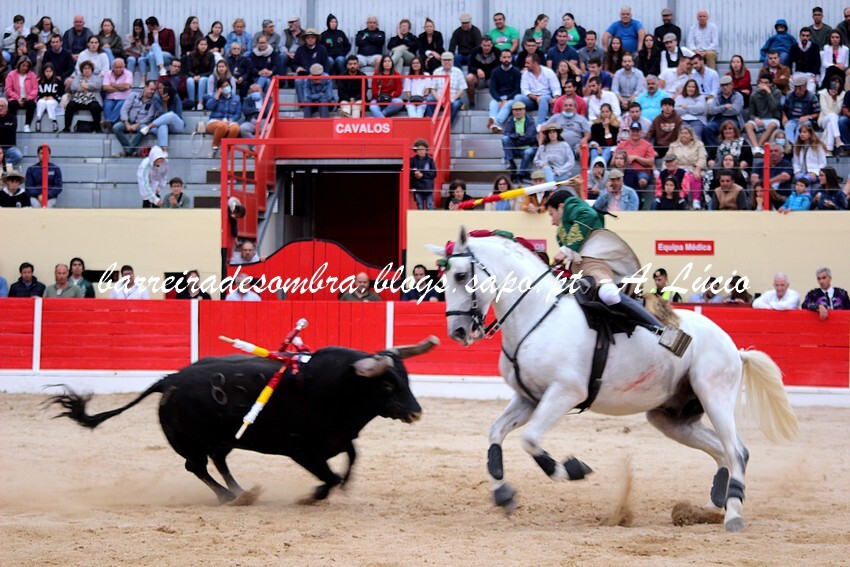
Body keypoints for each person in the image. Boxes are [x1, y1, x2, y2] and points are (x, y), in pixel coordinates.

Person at [546, 189, 689, 354]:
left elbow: (588, 215)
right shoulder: (562, 231)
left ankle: (667, 334)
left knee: (608, 294)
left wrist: (565, 250)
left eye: (551, 214)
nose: (552, 222)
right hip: (580, 269)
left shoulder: (571, 204)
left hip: (594, 262)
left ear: (561, 207)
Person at [112, 79, 156, 156]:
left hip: (141, 123)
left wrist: (137, 125)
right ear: (145, 87)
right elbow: (124, 109)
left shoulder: (153, 100)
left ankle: (127, 151)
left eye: (154, 90)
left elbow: (150, 116)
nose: (153, 92)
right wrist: (127, 123)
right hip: (128, 121)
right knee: (116, 127)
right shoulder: (133, 95)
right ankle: (131, 150)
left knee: (144, 129)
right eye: (151, 89)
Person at [616, 122, 656, 203]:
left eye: (637, 131)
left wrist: (636, 158)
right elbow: (614, 161)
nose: (635, 133)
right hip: (625, 170)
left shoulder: (647, 145)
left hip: (642, 171)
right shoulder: (622, 145)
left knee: (642, 181)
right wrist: (623, 160)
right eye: (633, 131)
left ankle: (636, 199)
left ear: (641, 132)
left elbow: (651, 162)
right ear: (629, 132)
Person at [667, 126, 707, 207]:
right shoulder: (673, 145)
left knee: (695, 177)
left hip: (694, 168)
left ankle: (696, 201)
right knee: (678, 177)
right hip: (678, 169)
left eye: (686, 133)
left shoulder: (699, 144)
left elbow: (702, 158)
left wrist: (698, 169)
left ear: (691, 136)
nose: (683, 135)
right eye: (682, 133)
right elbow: (668, 158)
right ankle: (681, 200)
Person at [745, 73, 783, 156]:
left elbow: (774, 108)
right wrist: (755, 119)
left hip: (772, 118)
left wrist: (768, 93)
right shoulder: (754, 95)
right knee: (748, 125)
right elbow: (751, 114)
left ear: (771, 84)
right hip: (759, 119)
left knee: (772, 125)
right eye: (761, 82)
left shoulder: (777, 93)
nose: (763, 85)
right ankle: (756, 147)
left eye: (766, 83)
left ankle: (759, 146)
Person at [518, 52, 560, 126]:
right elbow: (524, 90)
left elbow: (556, 88)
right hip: (531, 99)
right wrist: (536, 98)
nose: (525, 65)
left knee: (543, 99)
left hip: (546, 97)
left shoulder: (548, 72)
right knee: (518, 98)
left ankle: (539, 125)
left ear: (535, 63)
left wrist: (555, 98)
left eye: (528, 63)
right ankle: (519, 124)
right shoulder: (525, 74)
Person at [62, 60, 104, 134]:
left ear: (92, 69)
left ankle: (98, 128)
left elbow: (98, 86)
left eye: (89, 68)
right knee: (70, 105)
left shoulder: (96, 78)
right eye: (85, 68)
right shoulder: (77, 77)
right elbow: (73, 87)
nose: (87, 70)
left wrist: (85, 85)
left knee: (95, 107)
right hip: (79, 99)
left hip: (93, 99)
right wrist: (83, 87)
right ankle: (67, 127)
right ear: (82, 70)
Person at [501, 101, 537, 184]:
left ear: (524, 111)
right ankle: (511, 163)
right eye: (516, 110)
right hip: (515, 148)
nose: (518, 112)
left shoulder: (530, 121)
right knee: (505, 139)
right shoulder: (510, 120)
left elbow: (529, 137)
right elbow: (506, 134)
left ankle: (520, 174)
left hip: (528, 146)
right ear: (513, 112)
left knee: (528, 152)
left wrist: (515, 139)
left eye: (520, 110)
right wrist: (518, 135)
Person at [142, 81, 184, 152]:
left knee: (171, 115)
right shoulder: (157, 99)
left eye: (161, 88)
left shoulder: (175, 97)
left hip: (177, 125)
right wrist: (165, 103)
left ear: (167, 88)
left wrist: (168, 119)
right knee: (163, 126)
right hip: (164, 125)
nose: (159, 90)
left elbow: (178, 115)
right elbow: (162, 117)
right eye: (158, 88)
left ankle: (149, 126)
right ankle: (164, 151)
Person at [703, 76, 744, 147]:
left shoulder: (738, 96)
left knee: (731, 128)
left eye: (727, 85)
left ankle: (732, 147)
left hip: (733, 119)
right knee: (707, 128)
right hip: (718, 120)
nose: (725, 87)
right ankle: (714, 148)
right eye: (723, 85)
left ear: (731, 85)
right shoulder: (717, 96)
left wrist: (719, 110)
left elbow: (735, 110)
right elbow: (712, 111)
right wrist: (724, 107)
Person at [206, 78, 241, 157]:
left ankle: (225, 151)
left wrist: (231, 120)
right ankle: (214, 147)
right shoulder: (215, 96)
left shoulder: (236, 98)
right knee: (222, 126)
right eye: (223, 86)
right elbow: (209, 107)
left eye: (227, 85)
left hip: (230, 121)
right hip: (215, 120)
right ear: (219, 88)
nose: (226, 87)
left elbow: (238, 114)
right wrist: (217, 95)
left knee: (235, 128)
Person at [487, 49, 522, 132]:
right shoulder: (495, 71)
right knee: (493, 104)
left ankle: (495, 122)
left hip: (511, 97)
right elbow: (492, 89)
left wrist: (507, 99)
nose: (507, 59)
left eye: (509, 57)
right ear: (500, 58)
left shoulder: (516, 72)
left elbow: (517, 89)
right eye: (504, 57)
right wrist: (499, 100)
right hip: (499, 96)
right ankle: (494, 122)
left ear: (511, 58)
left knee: (507, 105)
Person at [293, 28, 329, 104]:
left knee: (327, 77)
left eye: (312, 37)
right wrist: (297, 68)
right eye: (308, 37)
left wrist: (322, 75)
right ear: (305, 39)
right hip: (304, 75)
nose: (310, 39)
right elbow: (293, 64)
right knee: (298, 81)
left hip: (318, 75)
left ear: (316, 39)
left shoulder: (322, 49)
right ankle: (303, 104)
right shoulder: (300, 49)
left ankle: (323, 102)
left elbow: (326, 64)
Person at [429, 52, 466, 125]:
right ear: (441, 61)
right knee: (429, 101)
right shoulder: (436, 71)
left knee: (456, 104)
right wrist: (440, 100)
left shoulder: (458, 71)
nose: (447, 62)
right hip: (439, 99)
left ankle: (447, 125)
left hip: (453, 98)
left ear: (453, 61)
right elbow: (432, 89)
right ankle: (432, 124)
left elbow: (462, 88)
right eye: (444, 60)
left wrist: (452, 99)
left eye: (449, 60)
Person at [783, 75, 820, 144]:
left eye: (800, 89)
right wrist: (784, 117)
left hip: (805, 119)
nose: (797, 91)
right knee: (788, 126)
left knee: (801, 128)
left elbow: (817, 113)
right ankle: (790, 144)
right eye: (796, 89)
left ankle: (797, 145)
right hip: (792, 118)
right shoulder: (789, 95)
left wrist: (808, 117)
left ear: (805, 87)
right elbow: (784, 109)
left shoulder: (812, 97)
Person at [466, 36, 500, 108]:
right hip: (479, 79)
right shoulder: (475, 51)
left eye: (488, 45)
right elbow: (470, 67)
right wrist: (477, 70)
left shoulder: (497, 52)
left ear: (492, 45)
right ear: (481, 45)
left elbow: (500, 68)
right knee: (469, 78)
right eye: (484, 45)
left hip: (492, 79)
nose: (486, 48)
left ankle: (499, 102)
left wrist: (487, 73)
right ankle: (471, 103)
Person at [101, 57, 133, 130]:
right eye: (116, 67)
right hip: (110, 97)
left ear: (124, 66)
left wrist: (113, 85)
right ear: (113, 67)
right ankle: (110, 123)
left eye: (120, 67)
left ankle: (109, 122)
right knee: (107, 105)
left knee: (120, 105)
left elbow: (127, 86)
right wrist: (120, 88)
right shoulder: (108, 73)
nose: (118, 69)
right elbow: (105, 88)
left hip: (124, 98)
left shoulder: (128, 73)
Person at [4, 58, 36, 130]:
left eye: (27, 66)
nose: (25, 68)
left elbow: (35, 89)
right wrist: (18, 98)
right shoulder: (11, 75)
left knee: (32, 104)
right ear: (19, 65)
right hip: (15, 98)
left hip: (27, 98)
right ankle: (13, 125)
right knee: (12, 104)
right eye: (23, 65)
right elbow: (8, 89)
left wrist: (27, 98)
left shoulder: (32, 75)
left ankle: (27, 125)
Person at [185, 37, 214, 109]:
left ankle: (200, 103)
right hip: (193, 76)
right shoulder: (191, 55)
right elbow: (188, 70)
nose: (203, 46)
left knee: (202, 80)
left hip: (205, 76)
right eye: (201, 44)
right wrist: (194, 76)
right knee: (189, 81)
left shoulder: (211, 55)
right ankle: (191, 103)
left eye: (205, 45)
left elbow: (211, 70)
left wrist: (200, 76)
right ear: (197, 45)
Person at [789, 27, 820, 94]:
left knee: (810, 90)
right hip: (798, 73)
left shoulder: (815, 47)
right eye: (803, 35)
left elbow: (818, 62)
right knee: (791, 82)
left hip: (810, 74)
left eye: (807, 36)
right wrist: (790, 74)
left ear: (810, 36)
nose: (805, 38)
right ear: (800, 36)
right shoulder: (794, 47)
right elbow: (789, 62)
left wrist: (815, 74)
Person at [34, 62, 62, 132]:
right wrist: (42, 97)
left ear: (53, 72)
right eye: (47, 71)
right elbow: (37, 93)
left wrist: (53, 97)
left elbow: (60, 93)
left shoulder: (57, 81)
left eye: (50, 71)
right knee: (41, 102)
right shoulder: (39, 81)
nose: (48, 73)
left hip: (53, 100)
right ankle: (38, 120)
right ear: (43, 72)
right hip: (43, 99)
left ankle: (54, 121)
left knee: (49, 103)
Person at [410, 138, 436, 210]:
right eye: (419, 149)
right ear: (416, 150)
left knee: (429, 206)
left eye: (423, 149)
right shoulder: (413, 160)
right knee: (420, 206)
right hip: (418, 187)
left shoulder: (430, 160)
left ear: (426, 149)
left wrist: (422, 175)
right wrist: (415, 173)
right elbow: (409, 171)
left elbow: (434, 173)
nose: (421, 151)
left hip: (428, 188)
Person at [124, 19, 148, 83]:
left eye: (139, 29)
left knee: (141, 60)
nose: (137, 31)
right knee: (131, 60)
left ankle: (143, 81)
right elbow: (125, 49)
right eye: (136, 29)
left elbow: (147, 51)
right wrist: (131, 44)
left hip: (142, 55)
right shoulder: (128, 36)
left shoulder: (145, 36)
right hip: (132, 55)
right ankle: (129, 81)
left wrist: (141, 45)